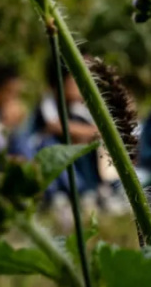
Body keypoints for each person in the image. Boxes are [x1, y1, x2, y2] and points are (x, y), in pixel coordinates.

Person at [29, 57, 102, 203]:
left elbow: (95, 129)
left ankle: (91, 189)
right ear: (60, 82)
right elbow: (56, 126)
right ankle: (67, 192)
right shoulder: (48, 101)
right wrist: (90, 132)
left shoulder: (77, 108)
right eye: (76, 80)